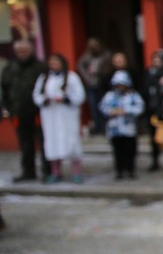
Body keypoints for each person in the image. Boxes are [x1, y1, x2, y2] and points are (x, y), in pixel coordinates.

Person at [33, 53, 86, 184]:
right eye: (51, 62)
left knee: (72, 141)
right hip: (50, 115)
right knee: (52, 142)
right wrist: (45, 99)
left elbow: (80, 95)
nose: (54, 65)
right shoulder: (44, 78)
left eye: (56, 62)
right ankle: (55, 172)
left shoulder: (72, 77)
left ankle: (76, 172)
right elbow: (36, 95)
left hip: (67, 114)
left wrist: (65, 99)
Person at [1, 40, 47, 182]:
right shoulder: (10, 68)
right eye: (20, 51)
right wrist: (9, 108)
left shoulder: (40, 67)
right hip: (18, 113)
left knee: (43, 142)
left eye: (25, 51)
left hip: (38, 112)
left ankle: (48, 171)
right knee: (25, 144)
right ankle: (28, 171)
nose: (22, 54)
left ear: (31, 51)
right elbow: (5, 89)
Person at [98, 70, 145, 180]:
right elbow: (102, 107)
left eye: (122, 84)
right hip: (115, 128)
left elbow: (140, 108)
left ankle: (130, 170)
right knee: (118, 151)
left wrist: (127, 110)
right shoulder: (109, 96)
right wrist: (111, 112)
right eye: (118, 84)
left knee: (130, 150)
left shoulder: (133, 95)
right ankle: (119, 170)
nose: (120, 86)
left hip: (129, 128)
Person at [143, 49, 163, 171]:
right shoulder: (149, 73)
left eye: (158, 60)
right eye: (154, 59)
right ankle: (155, 160)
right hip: (152, 108)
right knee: (153, 137)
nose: (156, 62)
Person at [77, 38, 110, 135]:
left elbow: (108, 66)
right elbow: (79, 66)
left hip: (103, 84)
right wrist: (87, 77)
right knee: (94, 106)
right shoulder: (87, 57)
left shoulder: (105, 55)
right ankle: (98, 127)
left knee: (104, 105)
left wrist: (101, 71)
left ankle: (105, 126)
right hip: (91, 84)